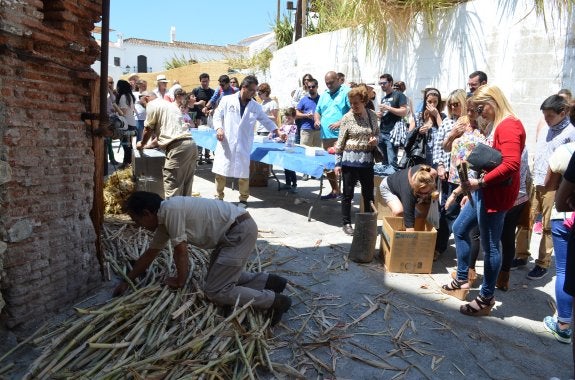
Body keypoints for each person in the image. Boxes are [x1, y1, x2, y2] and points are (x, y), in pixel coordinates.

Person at [113, 191, 292, 325]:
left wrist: (180, 281)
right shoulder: (165, 218)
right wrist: (127, 280)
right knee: (216, 277)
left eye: (137, 221)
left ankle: (274, 301)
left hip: (238, 232)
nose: (139, 226)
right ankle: (270, 281)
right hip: (233, 231)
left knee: (215, 291)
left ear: (147, 213)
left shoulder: (170, 210)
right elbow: (150, 254)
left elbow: (181, 251)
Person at [441, 84, 525, 316]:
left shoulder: (509, 125)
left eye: (481, 108)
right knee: (459, 228)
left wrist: (481, 184)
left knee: (490, 248)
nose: (479, 113)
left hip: (493, 194)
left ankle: (486, 298)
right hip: (482, 191)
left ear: (493, 101)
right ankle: (462, 279)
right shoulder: (498, 124)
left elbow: (511, 164)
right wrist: (470, 190)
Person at [511, 95, 575, 279]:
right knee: (526, 220)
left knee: (547, 226)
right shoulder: (545, 125)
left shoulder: (571, 133)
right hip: (535, 180)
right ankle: (521, 255)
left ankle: (542, 262)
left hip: (554, 185)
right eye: (544, 115)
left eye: (550, 116)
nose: (546, 119)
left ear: (562, 113)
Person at [212, 75, 285, 207]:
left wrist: (277, 131)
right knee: (221, 171)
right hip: (227, 141)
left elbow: (265, 120)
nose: (254, 93)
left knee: (243, 172)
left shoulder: (255, 106)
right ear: (243, 88)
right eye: (251, 90)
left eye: (255, 91)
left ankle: (243, 199)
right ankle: (218, 196)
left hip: (243, 143)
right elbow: (217, 115)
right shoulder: (227, 100)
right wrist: (218, 128)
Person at [541, 142, 575, 343]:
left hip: (565, 217)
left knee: (563, 269)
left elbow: (550, 185)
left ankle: (563, 324)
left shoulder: (565, 151)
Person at [334, 86, 379, 235]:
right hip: (350, 162)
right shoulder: (347, 118)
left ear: (364, 101)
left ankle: (366, 222)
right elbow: (340, 142)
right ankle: (346, 223)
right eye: (351, 103)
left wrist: (375, 141)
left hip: (366, 161)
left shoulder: (373, 116)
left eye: (356, 103)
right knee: (348, 194)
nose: (353, 106)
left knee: (368, 193)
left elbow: (377, 135)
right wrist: (337, 163)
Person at [138, 88, 198, 198]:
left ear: (146, 98)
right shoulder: (168, 105)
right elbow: (170, 132)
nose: (141, 104)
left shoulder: (152, 105)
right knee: (186, 187)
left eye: (140, 101)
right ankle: (185, 214)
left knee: (173, 188)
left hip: (178, 148)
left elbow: (148, 129)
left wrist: (141, 144)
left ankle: (172, 214)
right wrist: (150, 145)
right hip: (191, 145)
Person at [433, 89, 467, 256]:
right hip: (449, 172)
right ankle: (440, 246)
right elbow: (439, 146)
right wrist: (440, 165)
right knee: (447, 208)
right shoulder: (447, 123)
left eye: (456, 104)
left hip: (468, 175)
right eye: (451, 105)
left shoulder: (471, 122)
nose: (453, 108)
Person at [314, 71, 351, 199]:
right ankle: (335, 191)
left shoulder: (346, 91)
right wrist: (317, 120)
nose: (329, 85)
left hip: (341, 136)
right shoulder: (324, 94)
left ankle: (347, 193)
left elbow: (353, 110)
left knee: (344, 165)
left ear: (338, 80)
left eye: (331, 82)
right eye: (327, 83)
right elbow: (317, 111)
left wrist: (340, 122)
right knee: (329, 165)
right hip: (326, 136)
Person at [380, 164, 438, 231]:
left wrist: (433, 191)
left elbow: (434, 172)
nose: (424, 196)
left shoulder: (431, 173)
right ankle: (393, 235)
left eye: (426, 192)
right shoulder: (408, 192)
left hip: (403, 187)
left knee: (423, 213)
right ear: (415, 187)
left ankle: (419, 233)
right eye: (420, 193)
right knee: (399, 211)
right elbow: (409, 222)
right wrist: (409, 238)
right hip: (388, 187)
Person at [406, 88, 444, 167]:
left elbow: (444, 132)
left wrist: (437, 115)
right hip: (421, 156)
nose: (432, 105)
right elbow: (408, 136)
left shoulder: (442, 117)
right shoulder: (418, 117)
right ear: (425, 102)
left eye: (435, 102)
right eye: (429, 102)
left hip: (436, 157)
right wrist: (418, 131)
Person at [377, 74, 408, 170]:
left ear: (390, 83)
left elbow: (404, 112)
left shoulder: (399, 95)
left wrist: (388, 108)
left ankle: (392, 183)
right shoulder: (384, 98)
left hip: (392, 133)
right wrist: (379, 115)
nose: (382, 85)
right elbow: (385, 114)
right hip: (382, 132)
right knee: (383, 162)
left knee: (392, 162)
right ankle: (384, 183)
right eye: (380, 83)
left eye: (384, 83)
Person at [270, 107, 298, 192]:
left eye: (289, 118)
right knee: (285, 167)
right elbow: (278, 131)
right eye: (286, 117)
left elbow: (288, 136)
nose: (287, 119)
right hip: (283, 148)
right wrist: (272, 135)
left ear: (293, 117)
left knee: (291, 167)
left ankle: (294, 184)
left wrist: (281, 137)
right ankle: (288, 183)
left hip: (290, 149)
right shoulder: (284, 125)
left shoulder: (294, 127)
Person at [192, 73, 216, 164]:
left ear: (209, 81)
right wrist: (199, 103)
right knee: (200, 137)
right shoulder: (196, 91)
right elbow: (190, 102)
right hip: (198, 118)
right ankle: (199, 157)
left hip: (209, 118)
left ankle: (207, 156)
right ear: (200, 81)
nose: (204, 83)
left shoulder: (213, 92)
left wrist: (212, 110)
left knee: (209, 136)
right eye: (203, 81)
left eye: (206, 81)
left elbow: (215, 104)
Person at [115, 79, 136, 169]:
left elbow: (122, 112)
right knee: (128, 145)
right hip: (131, 122)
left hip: (125, 124)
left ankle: (127, 163)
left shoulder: (123, 97)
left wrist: (115, 109)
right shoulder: (130, 96)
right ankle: (128, 162)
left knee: (125, 145)